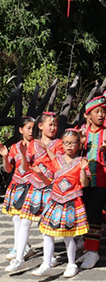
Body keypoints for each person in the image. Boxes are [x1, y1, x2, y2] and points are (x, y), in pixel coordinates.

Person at [6, 113, 64, 272]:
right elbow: (25, 168)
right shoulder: (32, 145)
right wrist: (24, 155)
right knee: (25, 221)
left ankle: (50, 257)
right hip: (35, 186)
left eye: (54, 125)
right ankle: (19, 258)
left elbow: (59, 164)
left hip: (51, 186)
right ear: (41, 126)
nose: (52, 128)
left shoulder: (59, 144)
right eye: (49, 125)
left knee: (47, 224)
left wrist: (46, 148)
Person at [31, 129, 90, 278]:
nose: (69, 146)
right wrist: (39, 173)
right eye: (66, 143)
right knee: (47, 233)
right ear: (61, 144)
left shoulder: (80, 162)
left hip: (72, 202)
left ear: (78, 144)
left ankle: (71, 264)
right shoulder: (56, 161)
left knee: (68, 235)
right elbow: (48, 181)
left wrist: (83, 170)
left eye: (73, 143)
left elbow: (84, 184)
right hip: (55, 201)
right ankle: (46, 263)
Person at [76, 96, 106, 269]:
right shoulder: (80, 132)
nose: (101, 115)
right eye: (97, 112)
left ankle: (93, 251)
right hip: (81, 180)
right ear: (88, 115)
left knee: (94, 212)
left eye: (103, 111)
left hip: (101, 180)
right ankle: (87, 248)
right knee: (84, 213)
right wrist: (80, 145)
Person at [1, 117, 35, 264]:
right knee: (16, 217)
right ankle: (21, 246)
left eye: (34, 128)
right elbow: (9, 169)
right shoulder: (15, 147)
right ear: (21, 130)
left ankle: (20, 248)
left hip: (31, 185)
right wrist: (5, 156)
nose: (31, 131)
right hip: (17, 185)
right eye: (28, 128)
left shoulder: (37, 146)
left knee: (25, 218)